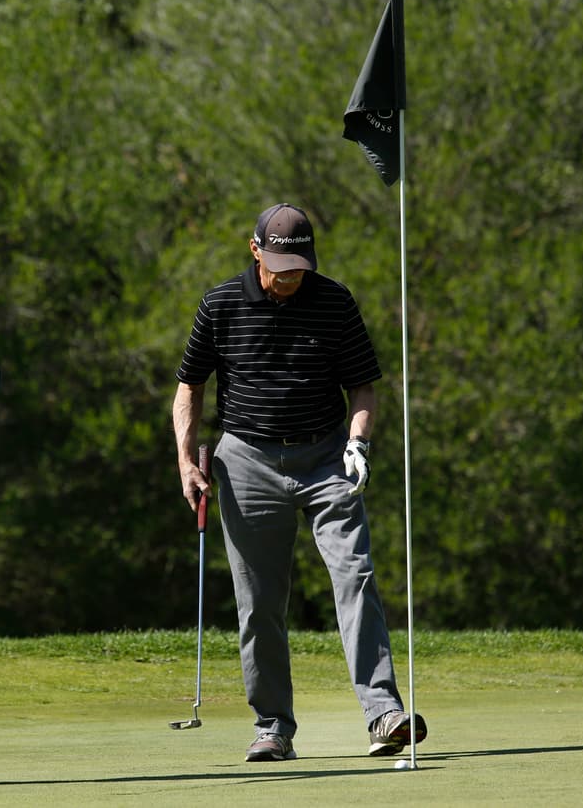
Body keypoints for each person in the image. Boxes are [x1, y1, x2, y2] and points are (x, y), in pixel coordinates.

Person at [171, 202, 427, 762]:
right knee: (259, 600)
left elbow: (362, 387)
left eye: (299, 267)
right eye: (279, 266)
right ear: (254, 249)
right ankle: (272, 726)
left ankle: (384, 714)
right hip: (247, 460)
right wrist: (187, 460)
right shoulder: (220, 304)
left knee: (355, 575)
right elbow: (190, 386)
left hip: (326, 456)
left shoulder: (334, 300)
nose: (289, 278)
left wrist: (358, 444)